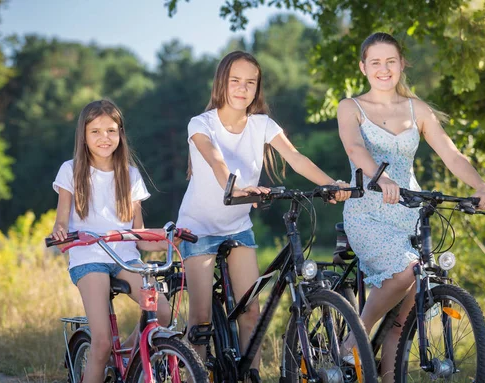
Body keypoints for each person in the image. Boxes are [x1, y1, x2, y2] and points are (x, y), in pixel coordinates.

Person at [176, 50, 350, 382]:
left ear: (258, 88)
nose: (242, 89)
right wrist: (237, 187)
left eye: (250, 83)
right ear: (222, 83)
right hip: (198, 229)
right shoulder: (201, 124)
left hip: (238, 227)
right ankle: (194, 376)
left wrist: (331, 184)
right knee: (200, 319)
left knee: (251, 312)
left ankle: (250, 376)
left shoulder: (262, 125)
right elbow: (216, 162)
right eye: (235, 81)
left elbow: (295, 158)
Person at [337, 32, 485, 382]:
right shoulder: (351, 107)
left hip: (409, 212)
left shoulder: (417, 110)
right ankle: (354, 337)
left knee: (407, 316)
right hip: (368, 212)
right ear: (364, 67)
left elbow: (452, 154)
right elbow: (354, 149)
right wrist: (381, 179)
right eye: (376, 62)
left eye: (390, 61)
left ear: (401, 65)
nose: (384, 69)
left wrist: (480, 186)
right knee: (407, 272)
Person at [50, 99, 172, 383]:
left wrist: (167, 238)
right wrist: (58, 232)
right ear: (84, 135)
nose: (104, 138)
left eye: (111, 131)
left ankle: (128, 353)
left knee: (162, 312)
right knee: (102, 342)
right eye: (95, 131)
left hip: (125, 258)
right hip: (88, 258)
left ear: (120, 134)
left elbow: (140, 236)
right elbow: (60, 220)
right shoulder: (71, 170)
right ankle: (107, 357)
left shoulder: (130, 175)